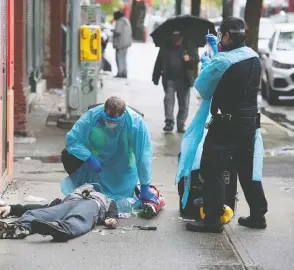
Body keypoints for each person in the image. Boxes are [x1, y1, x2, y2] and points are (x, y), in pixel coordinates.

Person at [178, 17, 268, 233]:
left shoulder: (221, 61)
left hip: (225, 124)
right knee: (247, 169)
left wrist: (208, 65)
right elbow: (236, 74)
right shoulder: (254, 57)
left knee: (212, 169)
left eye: (221, 35)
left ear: (227, 36)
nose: (220, 39)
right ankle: (258, 214)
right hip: (249, 124)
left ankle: (212, 219)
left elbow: (204, 89)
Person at [60, 97, 159, 212]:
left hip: (123, 164)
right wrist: (88, 158)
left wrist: (145, 184)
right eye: (107, 119)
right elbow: (72, 139)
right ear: (103, 110)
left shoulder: (136, 123)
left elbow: (143, 155)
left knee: (122, 196)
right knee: (68, 155)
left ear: (123, 114)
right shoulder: (93, 115)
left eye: (114, 121)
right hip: (98, 163)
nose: (110, 123)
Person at [0, 184, 120, 241]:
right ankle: (20, 227)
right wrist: (12, 208)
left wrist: (111, 219)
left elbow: (112, 211)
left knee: (79, 218)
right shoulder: (68, 197)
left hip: (90, 206)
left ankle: (61, 228)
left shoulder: (104, 200)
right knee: (36, 214)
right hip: (66, 205)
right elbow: (39, 207)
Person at [152, 31, 198, 133]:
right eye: (174, 40)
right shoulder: (165, 47)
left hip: (184, 80)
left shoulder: (188, 47)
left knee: (184, 104)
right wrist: (155, 77)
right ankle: (169, 123)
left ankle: (181, 124)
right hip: (169, 79)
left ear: (181, 39)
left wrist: (189, 59)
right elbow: (159, 62)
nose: (175, 42)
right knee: (168, 101)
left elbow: (195, 62)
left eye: (177, 40)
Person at [112, 10, 132, 78]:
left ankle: (120, 73)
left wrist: (112, 30)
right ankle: (124, 72)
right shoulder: (126, 20)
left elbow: (118, 31)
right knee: (124, 58)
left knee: (119, 58)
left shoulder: (120, 21)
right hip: (126, 43)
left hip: (120, 43)